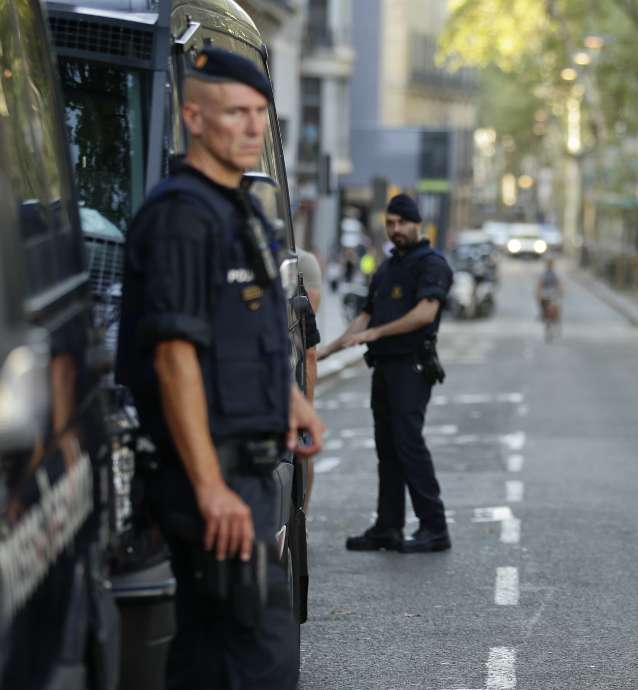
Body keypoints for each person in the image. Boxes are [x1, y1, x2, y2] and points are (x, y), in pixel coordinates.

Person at [115, 48, 326, 690]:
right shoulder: (181, 216)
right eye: (235, 113)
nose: (252, 127)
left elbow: (253, 332)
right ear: (194, 119)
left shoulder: (243, 213)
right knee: (256, 653)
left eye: (261, 114)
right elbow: (175, 356)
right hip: (211, 473)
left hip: (250, 467)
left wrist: (292, 402)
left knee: (212, 652)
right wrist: (209, 487)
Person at [319, 194, 454, 553]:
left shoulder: (431, 264)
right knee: (387, 449)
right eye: (390, 224)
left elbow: (425, 313)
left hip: (412, 366)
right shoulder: (387, 266)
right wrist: (327, 350)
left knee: (409, 445)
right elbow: (365, 315)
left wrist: (376, 333)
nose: (395, 230)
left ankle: (435, 527)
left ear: (416, 224)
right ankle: (388, 526)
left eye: (401, 223)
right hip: (384, 368)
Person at [281, 250, 324, 511]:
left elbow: (308, 349)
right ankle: (300, 521)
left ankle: (300, 520)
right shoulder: (298, 262)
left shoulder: (303, 263)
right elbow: (308, 350)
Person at [536, 257, 563, 339]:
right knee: (542, 303)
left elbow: (560, 283)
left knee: (557, 307)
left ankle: (557, 320)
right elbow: (540, 284)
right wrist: (539, 293)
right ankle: (543, 314)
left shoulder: (556, 273)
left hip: (554, 292)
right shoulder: (544, 274)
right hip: (546, 292)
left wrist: (560, 291)